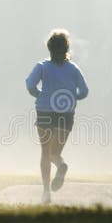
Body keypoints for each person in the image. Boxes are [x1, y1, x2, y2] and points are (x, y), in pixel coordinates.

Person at [26, 30, 89, 204]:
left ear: (49, 48)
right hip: (66, 113)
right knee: (55, 152)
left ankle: (46, 192)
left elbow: (30, 84)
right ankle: (61, 166)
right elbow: (84, 91)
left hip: (45, 111)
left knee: (45, 152)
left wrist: (39, 94)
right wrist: (70, 97)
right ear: (66, 48)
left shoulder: (42, 66)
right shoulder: (74, 69)